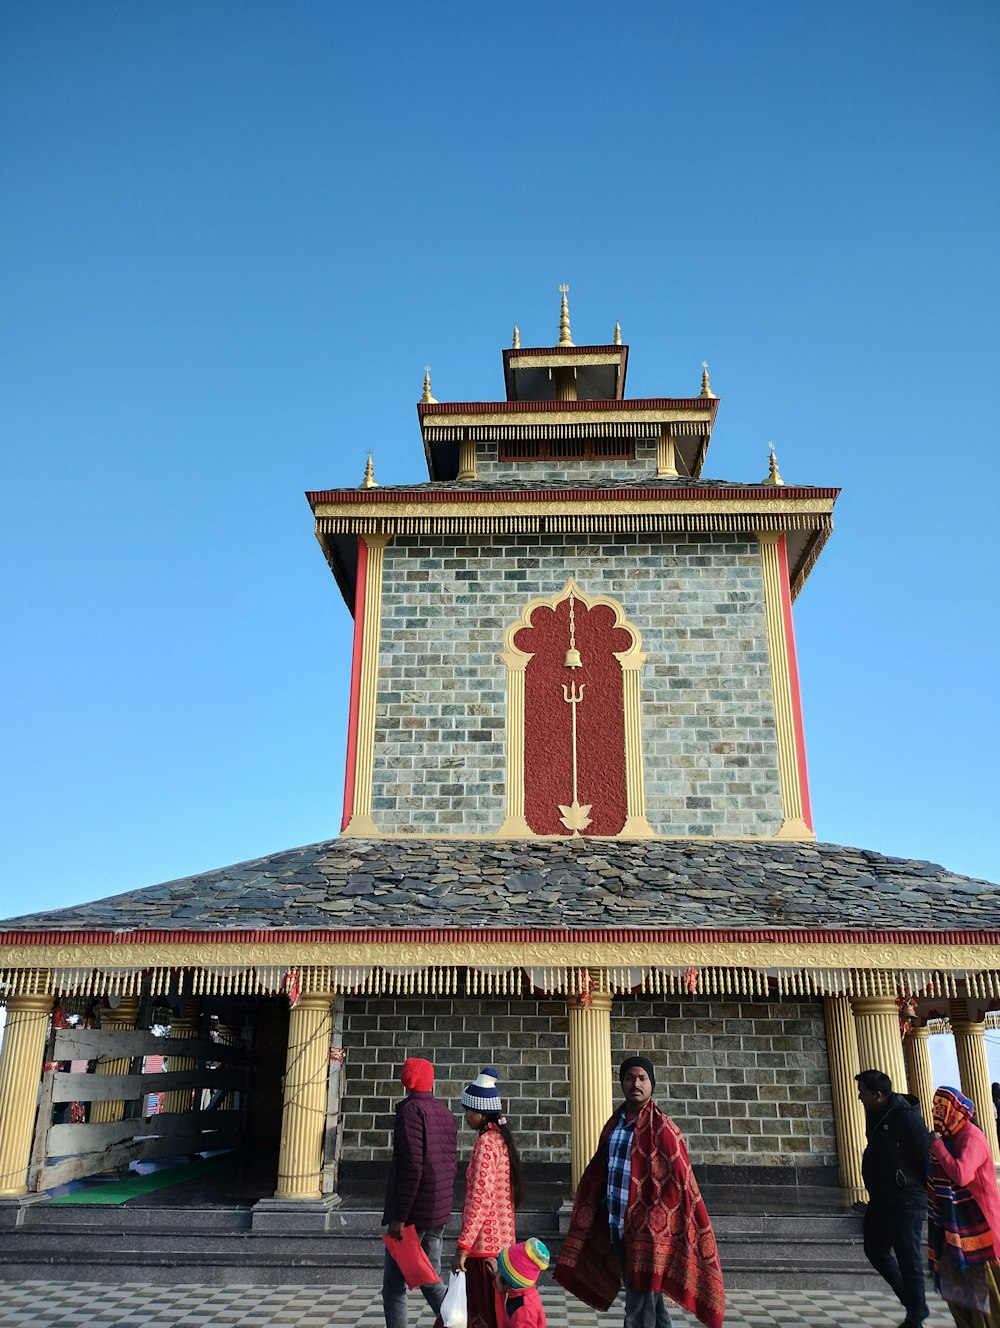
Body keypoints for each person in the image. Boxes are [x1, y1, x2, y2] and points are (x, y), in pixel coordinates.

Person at [554, 1055, 724, 1328]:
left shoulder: (664, 1129)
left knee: (637, 1307)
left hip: (649, 1235)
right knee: (651, 1304)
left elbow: (679, 1183)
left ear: (651, 1084)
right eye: (630, 1078)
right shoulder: (615, 1124)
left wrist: (653, 1222)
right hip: (618, 1227)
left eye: (642, 1078)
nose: (636, 1083)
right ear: (622, 1082)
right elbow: (601, 1171)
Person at [382, 1056, 458, 1328]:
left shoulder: (409, 1112)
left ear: (406, 1081)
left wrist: (399, 1217)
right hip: (438, 1210)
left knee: (393, 1288)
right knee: (429, 1276)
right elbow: (450, 1164)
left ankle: (458, 1319)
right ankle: (459, 1319)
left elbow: (412, 1167)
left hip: (413, 1213)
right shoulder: (445, 1113)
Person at [855, 1067, 931, 1328]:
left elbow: (924, 1156)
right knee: (874, 1249)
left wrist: (915, 1189)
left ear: (878, 1094)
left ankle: (916, 1315)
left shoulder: (906, 1118)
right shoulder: (876, 1114)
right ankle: (913, 1305)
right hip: (882, 1199)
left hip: (905, 1200)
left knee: (909, 1260)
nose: (859, 1098)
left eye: (862, 1093)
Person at [449, 1066, 524, 1328]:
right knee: (493, 1315)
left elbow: (478, 1201)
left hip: (483, 1248)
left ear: (479, 1111)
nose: (465, 1115)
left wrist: (463, 1247)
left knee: (481, 1317)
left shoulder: (485, 1144)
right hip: (502, 1245)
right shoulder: (500, 1141)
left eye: (467, 1110)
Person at [928, 1085, 1000, 1326]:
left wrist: (936, 1146)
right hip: (959, 1230)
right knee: (960, 1295)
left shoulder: (972, 1138)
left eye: (942, 1110)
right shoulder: (954, 1139)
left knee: (985, 1299)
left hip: (982, 1231)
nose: (937, 1115)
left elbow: (962, 1174)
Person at [491, 1238, 550, 1328]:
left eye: (499, 1270)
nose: (496, 1273)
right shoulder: (522, 1291)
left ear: (510, 1280)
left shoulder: (524, 1310)